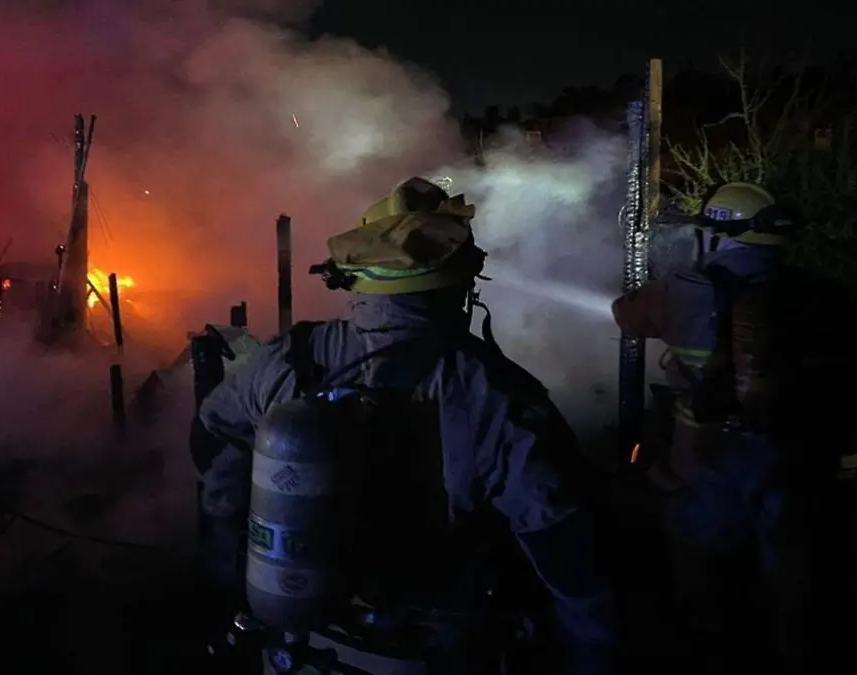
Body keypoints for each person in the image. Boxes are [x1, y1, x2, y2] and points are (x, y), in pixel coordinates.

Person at [192, 177, 615, 674]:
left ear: (354, 276)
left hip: (296, 639)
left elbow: (213, 443)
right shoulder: (496, 394)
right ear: (459, 282)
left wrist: (236, 568)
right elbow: (562, 540)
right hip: (430, 648)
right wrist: (595, 649)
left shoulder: (288, 358)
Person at [611, 182, 806, 674]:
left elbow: (625, 315)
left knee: (698, 549)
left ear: (716, 238)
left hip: (706, 446)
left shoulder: (685, 288)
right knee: (785, 553)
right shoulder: (806, 293)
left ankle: (709, 648)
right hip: (787, 442)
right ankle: (793, 648)